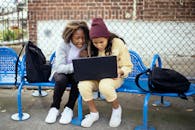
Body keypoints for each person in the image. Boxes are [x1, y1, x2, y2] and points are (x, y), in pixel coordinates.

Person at [78, 18, 133, 128]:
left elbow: (128, 66)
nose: (98, 45)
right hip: (95, 78)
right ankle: (94, 113)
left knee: (105, 85)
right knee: (82, 85)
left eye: (101, 42)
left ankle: (116, 109)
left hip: (114, 78)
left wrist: (120, 71)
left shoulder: (117, 43)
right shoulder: (90, 46)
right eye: (95, 42)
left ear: (107, 38)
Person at [45, 21, 90, 124]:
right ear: (70, 36)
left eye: (83, 37)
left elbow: (89, 64)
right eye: (77, 38)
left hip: (75, 74)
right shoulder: (63, 45)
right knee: (61, 79)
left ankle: (69, 108)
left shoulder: (87, 45)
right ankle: (54, 108)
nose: (81, 41)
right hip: (61, 72)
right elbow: (59, 68)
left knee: (78, 78)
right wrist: (78, 64)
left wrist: (86, 57)